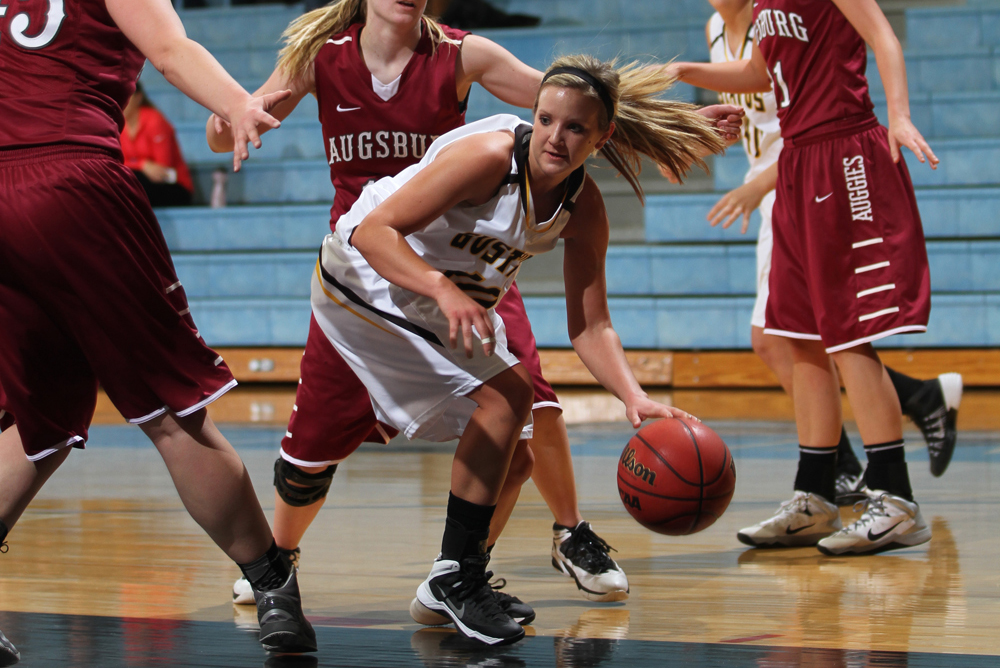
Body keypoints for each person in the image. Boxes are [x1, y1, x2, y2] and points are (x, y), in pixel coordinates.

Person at [207, 0, 743, 610]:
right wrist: (234, 116)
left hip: (475, 253)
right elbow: (227, 128)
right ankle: (279, 555)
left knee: (529, 404)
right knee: (316, 442)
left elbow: (573, 106)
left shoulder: (467, 57)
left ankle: (519, 551)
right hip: (377, 259)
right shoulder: (321, 59)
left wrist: (680, 123)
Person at [309, 54, 727, 644]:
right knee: (510, 394)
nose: (556, 137)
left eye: (576, 127)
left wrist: (635, 398)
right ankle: (460, 577)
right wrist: (439, 289)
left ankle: (443, 585)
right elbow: (373, 231)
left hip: (441, 291)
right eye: (547, 119)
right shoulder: (489, 159)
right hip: (365, 272)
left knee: (519, 459)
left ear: (603, 137)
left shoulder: (584, 209)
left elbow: (590, 327)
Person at [0, 0, 313, 657]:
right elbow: (170, 52)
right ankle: (272, 586)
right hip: (70, 184)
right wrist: (234, 101)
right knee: (172, 410)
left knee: (42, 417)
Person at [664, 0, 942, 555]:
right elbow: (758, 73)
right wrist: (682, 72)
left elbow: (883, 38)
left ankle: (896, 497)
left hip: (845, 149)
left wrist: (902, 113)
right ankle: (815, 496)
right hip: (797, 160)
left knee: (847, 334)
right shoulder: (764, 3)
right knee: (797, 335)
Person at [121, 82, 195, 207]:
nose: (121, 102)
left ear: (138, 98)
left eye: (126, 97)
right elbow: (116, 163)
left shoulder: (155, 121)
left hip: (174, 187)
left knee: (128, 182)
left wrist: (134, 165)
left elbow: (162, 170)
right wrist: (143, 165)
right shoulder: (119, 126)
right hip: (143, 183)